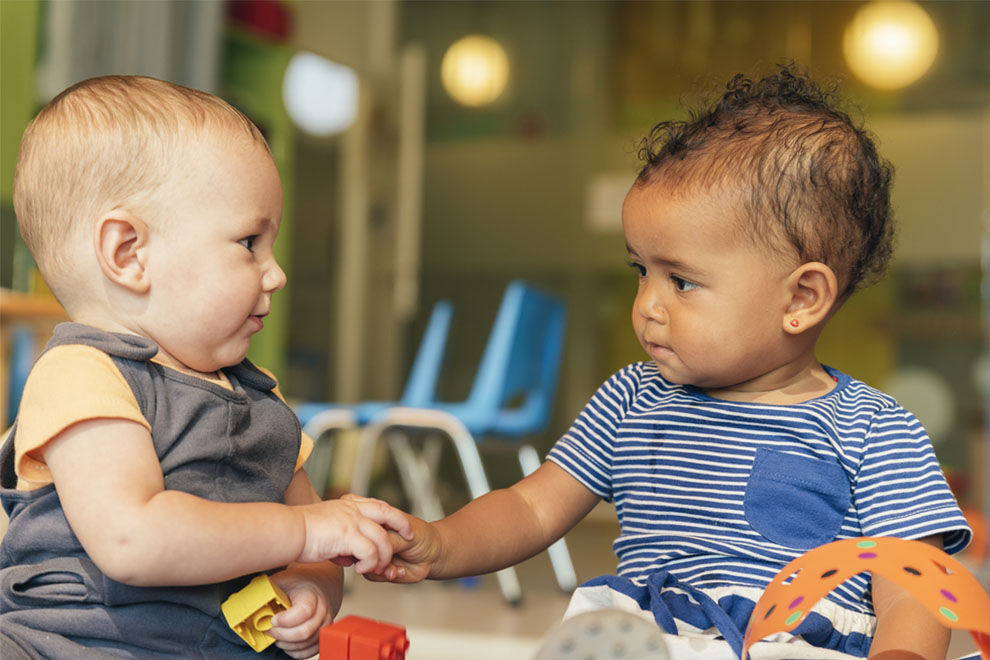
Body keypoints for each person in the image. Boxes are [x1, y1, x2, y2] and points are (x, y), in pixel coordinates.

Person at [379, 66, 971, 659]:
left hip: (790, 644)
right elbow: (531, 508)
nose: (647, 306)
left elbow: (912, 581)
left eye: (681, 281)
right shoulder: (632, 398)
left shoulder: (873, 428)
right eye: (642, 271)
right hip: (649, 637)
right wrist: (442, 543)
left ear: (801, 299)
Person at [0, 75, 412, 660]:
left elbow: (314, 542)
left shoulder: (264, 405)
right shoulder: (84, 376)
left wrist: (312, 583)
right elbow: (132, 538)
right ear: (129, 254)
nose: (275, 274)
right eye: (249, 243)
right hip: (68, 646)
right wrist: (305, 532)